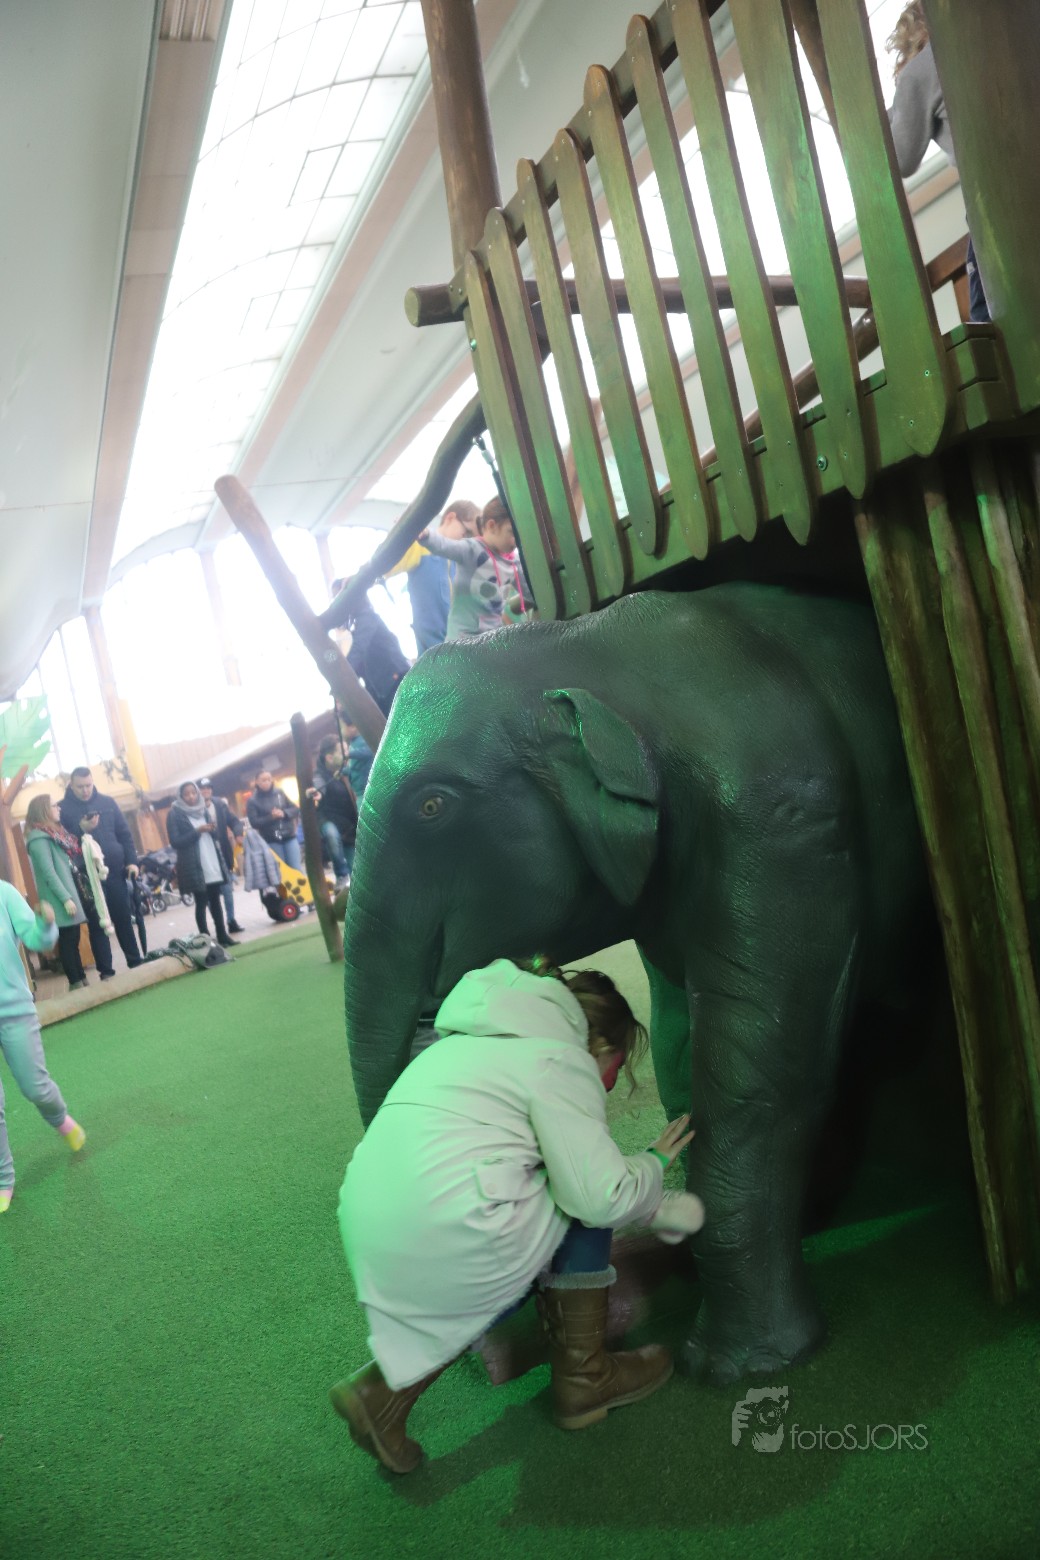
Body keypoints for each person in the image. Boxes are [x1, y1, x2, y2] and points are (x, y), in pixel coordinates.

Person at [331, 957, 703, 1474]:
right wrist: (653, 1166)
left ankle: (380, 1394)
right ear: (599, 1046)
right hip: (453, 1230)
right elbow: (599, 1197)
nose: (610, 1086)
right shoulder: (559, 1058)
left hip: (371, 1223)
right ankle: (586, 1377)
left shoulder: (464, 1041)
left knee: (534, 1201)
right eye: (617, 1068)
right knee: (580, 1200)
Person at [886, 2, 990, 323]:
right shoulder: (995, 40)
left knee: (988, 323)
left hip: (995, 212)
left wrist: (894, 109)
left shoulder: (920, 71)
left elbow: (900, 158)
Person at [0, 882, 86, 1212]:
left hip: (14, 1010)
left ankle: (61, 1120)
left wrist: (46, 923)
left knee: (35, 1087)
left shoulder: (5, 894)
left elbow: (38, 940)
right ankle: (4, 1179)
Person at [59, 766, 143, 970]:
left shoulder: (108, 802)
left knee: (123, 917)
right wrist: (81, 829)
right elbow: (62, 842)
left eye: (88, 785)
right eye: (80, 787)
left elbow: (125, 835)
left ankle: (135, 961)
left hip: (114, 871)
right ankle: (106, 971)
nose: (85, 790)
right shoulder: (62, 809)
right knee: (97, 924)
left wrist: (132, 861)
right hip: (86, 876)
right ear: (71, 785)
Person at [419, 496, 532, 639]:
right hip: (462, 638)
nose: (516, 541)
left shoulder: (513, 563)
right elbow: (444, 545)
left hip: (492, 637)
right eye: (512, 533)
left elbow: (531, 593)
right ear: (492, 526)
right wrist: (425, 535)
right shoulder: (471, 549)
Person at [384, 498, 481, 653]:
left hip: (459, 648)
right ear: (450, 518)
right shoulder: (420, 546)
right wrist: (399, 536)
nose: (467, 540)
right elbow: (385, 566)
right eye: (466, 532)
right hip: (433, 652)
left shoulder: (460, 561)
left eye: (472, 538)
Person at [24, 794, 93, 990]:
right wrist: (66, 898)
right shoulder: (38, 839)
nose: (59, 808)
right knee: (68, 940)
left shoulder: (53, 834)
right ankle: (75, 983)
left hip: (66, 894)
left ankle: (81, 979)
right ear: (44, 810)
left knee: (73, 938)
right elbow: (48, 872)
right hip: (59, 898)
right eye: (54, 805)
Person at [166, 782, 238, 948]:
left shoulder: (203, 809)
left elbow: (215, 834)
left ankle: (223, 936)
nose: (191, 797)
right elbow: (175, 841)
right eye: (187, 794)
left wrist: (212, 829)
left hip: (211, 858)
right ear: (181, 796)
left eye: (193, 793)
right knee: (201, 902)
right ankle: (206, 940)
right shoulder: (174, 813)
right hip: (194, 863)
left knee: (216, 900)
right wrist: (197, 831)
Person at [306, 737, 358, 890]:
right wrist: (317, 793)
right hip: (328, 819)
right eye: (343, 751)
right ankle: (341, 876)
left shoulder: (348, 770)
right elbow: (318, 785)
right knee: (331, 835)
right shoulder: (320, 774)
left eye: (347, 749)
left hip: (349, 824)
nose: (347, 753)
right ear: (329, 757)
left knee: (357, 870)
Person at [199, 779, 245, 935]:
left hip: (222, 852)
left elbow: (234, 821)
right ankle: (219, 924)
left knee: (227, 889)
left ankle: (231, 920)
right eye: (202, 788)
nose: (205, 790)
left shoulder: (219, 804)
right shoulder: (193, 809)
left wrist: (238, 834)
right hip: (206, 855)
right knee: (211, 894)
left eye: (208, 788)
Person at [246, 771, 302, 872]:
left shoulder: (279, 792)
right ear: (257, 782)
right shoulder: (252, 801)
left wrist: (284, 813)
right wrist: (271, 817)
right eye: (263, 780)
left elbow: (294, 809)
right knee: (281, 871)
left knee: (296, 868)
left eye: (269, 779)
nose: (267, 782)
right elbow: (254, 822)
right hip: (272, 840)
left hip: (289, 836)